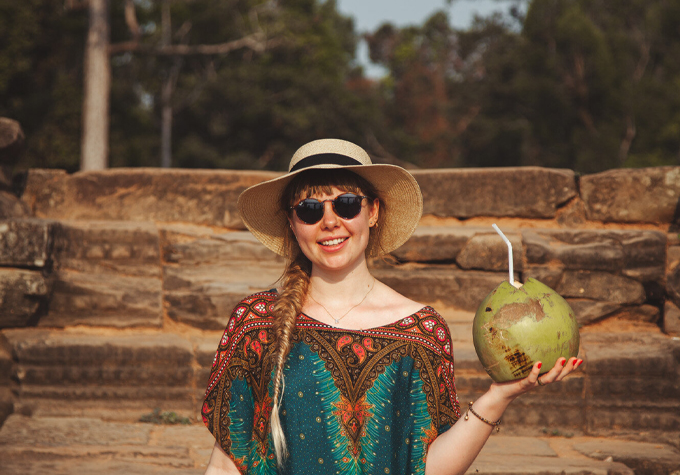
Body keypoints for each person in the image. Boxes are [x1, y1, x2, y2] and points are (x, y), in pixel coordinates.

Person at [202, 139, 583, 475]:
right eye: (310, 209)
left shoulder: (420, 332)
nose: (330, 222)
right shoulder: (255, 324)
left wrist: (500, 394)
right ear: (292, 222)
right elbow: (226, 464)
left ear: (373, 212)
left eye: (347, 204)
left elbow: (428, 467)